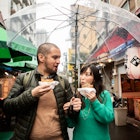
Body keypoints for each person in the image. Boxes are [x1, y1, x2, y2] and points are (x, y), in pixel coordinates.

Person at [3, 43, 82, 140]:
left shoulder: (63, 82)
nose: (58, 61)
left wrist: (74, 108)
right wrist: (31, 95)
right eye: (54, 57)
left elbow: (72, 114)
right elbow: (7, 107)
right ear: (41, 57)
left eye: (59, 58)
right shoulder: (24, 78)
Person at [63, 64, 114, 140]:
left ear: (94, 79)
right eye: (82, 74)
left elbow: (109, 118)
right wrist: (68, 112)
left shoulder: (104, 94)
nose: (82, 78)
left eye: (87, 75)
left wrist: (94, 101)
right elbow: (71, 124)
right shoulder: (77, 96)